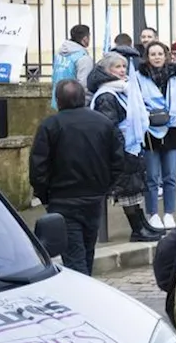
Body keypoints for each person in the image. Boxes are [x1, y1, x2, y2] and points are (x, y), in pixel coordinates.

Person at [29, 80, 123, 275]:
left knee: (74, 256)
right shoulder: (103, 123)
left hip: (63, 198)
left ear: (58, 100)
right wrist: (105, 187)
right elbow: (118, 160)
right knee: (86, 251)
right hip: (92, 197)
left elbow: (38, 167)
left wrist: (44, 195)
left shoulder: (50, 125)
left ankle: (83, 295)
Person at [87, 52, 159, 243]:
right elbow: (108, 126)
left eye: (123, 67)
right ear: (107, 70)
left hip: (131, 147)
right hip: (121, 150)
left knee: (135, 189)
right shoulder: (107, 95)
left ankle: (143, 224)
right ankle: (137, 229)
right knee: (128, 190)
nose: (121, 71)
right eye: (117, 67)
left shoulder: (122, 90)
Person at [139, 40, 176, 230]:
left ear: (166, 56)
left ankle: (169, 213)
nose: (157, 57)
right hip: (150, 131)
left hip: (172, 129)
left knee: (170, 176)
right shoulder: (140, 76)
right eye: (153, 54)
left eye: (160, 54)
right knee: (151, 176)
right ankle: (153, 213)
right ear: (147, 57)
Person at [52, 23, 94, 107]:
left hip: (58, 101)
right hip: (75, 105)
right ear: (85, 39)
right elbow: (84, 85)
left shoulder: (59, 55)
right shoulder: (83, 58)